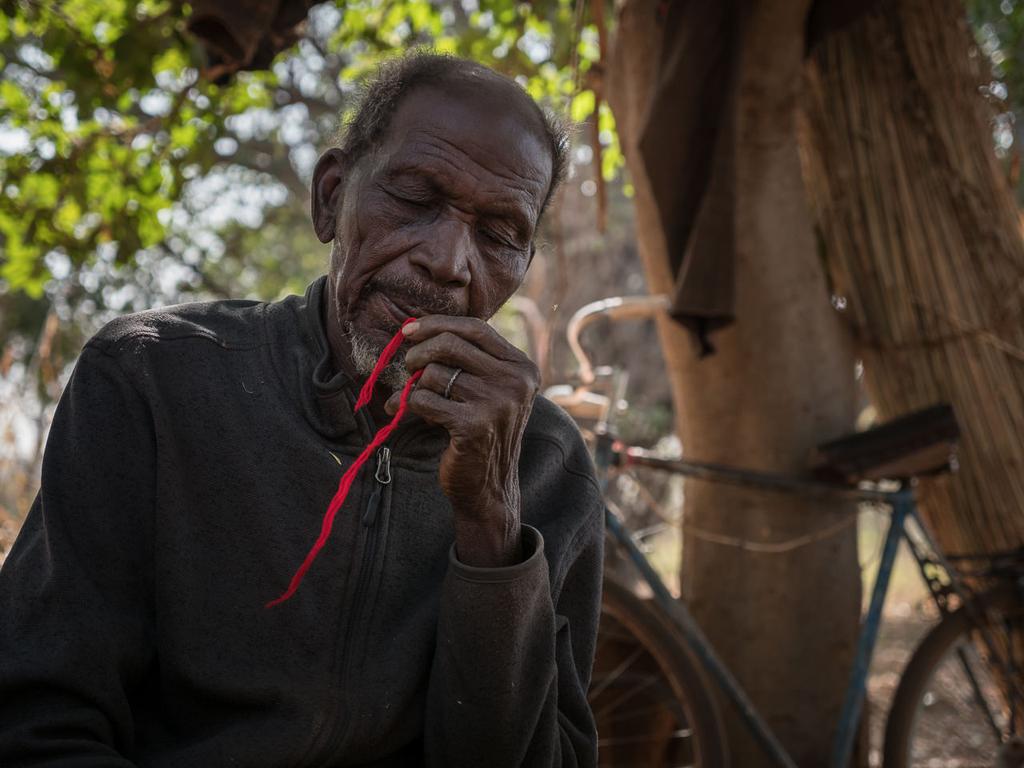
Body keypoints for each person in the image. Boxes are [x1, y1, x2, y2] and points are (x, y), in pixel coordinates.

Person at [0, 54, 605, 766]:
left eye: (499, 235)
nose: (448, 261)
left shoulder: (547, 463)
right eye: (414, 198)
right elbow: (37, 721)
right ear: (331, 197)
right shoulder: (151, 381)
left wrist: (493, 532)